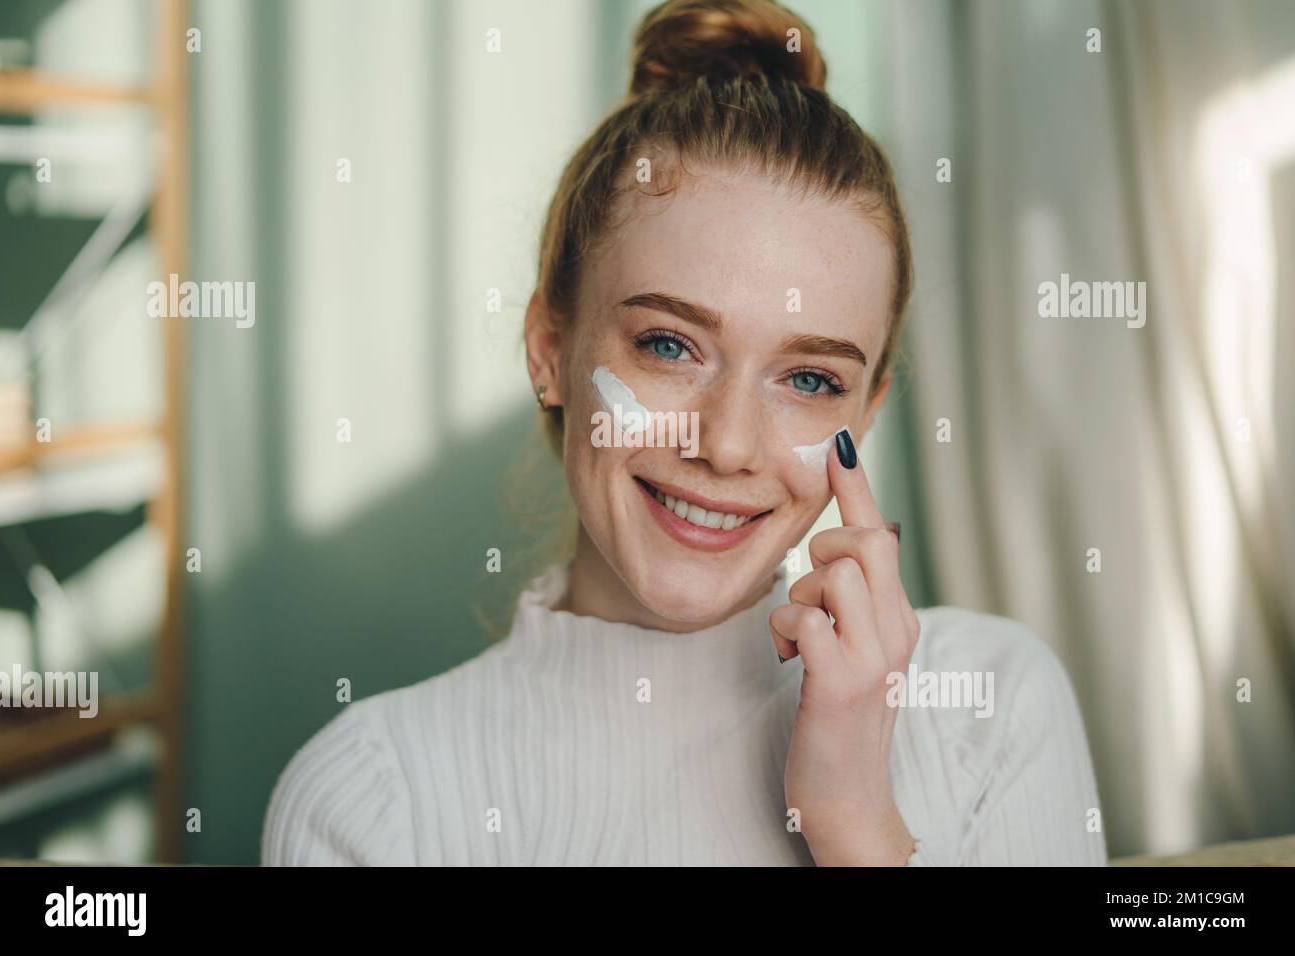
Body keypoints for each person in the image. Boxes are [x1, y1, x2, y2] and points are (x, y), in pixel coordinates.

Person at [263, 0, 1107, 866]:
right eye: (670, 345)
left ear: (867, 413)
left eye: (810, 380)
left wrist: (851, 815)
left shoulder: (993, 704)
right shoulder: (374, 802)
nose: (728, 444)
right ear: (549, 350)